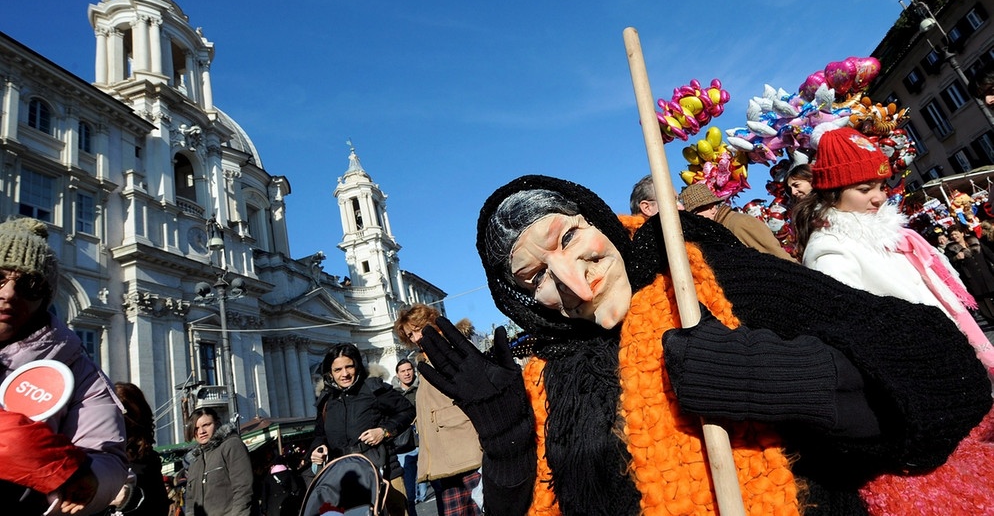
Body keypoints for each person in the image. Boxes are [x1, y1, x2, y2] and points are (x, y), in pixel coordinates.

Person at [415, 174, 993, 515]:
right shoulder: (541, 375)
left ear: (597, 218)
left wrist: (781, 377)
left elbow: (943, 363)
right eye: (532, 277)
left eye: (568, 237)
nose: (571, 280)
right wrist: (507, 441)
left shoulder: (712, 280)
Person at [793, 126, 994, 379]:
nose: (878, 197)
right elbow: (856, 330)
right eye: (865, 190)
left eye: (880, 186)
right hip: (924, 372)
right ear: (833, 194)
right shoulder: (830, 251)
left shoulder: (892, 236)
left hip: (953, 360)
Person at [0, 217, 129, 515]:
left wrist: (92, 480)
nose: (9, 294)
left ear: (44, 298)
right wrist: (56, 464)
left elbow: (106, 454)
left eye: (29, 284)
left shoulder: (79, 370)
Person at [394, 306, 483, 516]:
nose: (415, 338)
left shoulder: (451, 350)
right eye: (409, 335)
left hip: (466, 450)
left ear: (432, 324)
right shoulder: (426, 360)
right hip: (445, 456)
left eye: (417, 329)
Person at [309, 343, 415, 516]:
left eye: (349, 366)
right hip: (345, 477)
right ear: (330, 372)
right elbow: (319, 433)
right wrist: (317, 449)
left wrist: (384, 430)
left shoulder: (374, 388)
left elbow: (408, 410)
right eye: (338, 370)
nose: (344, 374)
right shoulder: (326, 399)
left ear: (356, 366)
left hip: (385, 471)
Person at [679, 182, 795, 260]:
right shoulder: (720, 230)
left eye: (695, 213)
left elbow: (776, 256)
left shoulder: (739, 223)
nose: (693, 220)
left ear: (712, 207)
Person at [109, 382, 170, 516]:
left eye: (123, 412)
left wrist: (129, 498)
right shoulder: (94, 452)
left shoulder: (147, 458)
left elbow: (159, 507)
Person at [184, 407, 255, 516]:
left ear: (217, 423)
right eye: (196, 428)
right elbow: (190, 501)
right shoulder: (195, 460)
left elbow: (243, 489)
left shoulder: (231, 445)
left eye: (206, 425)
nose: (201, 432)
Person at [392, 359, 428, 516]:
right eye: (403, 371)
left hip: (427, 444)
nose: (407, 373)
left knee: (440, 487)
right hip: (404, 448)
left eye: (409, 370)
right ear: (397, 374)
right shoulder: (391, 395)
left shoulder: (423, 389)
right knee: (409, 495)